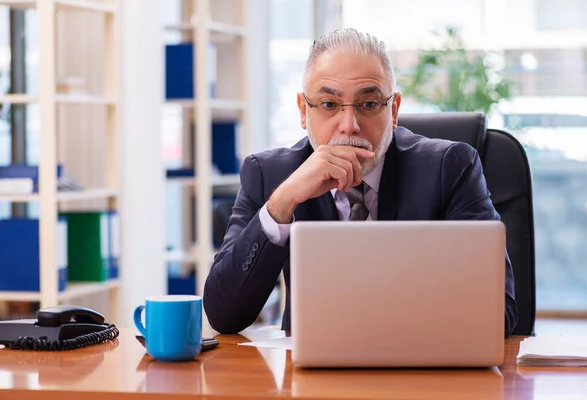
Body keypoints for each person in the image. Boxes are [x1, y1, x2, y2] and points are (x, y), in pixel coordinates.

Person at [203, 28, 518, 336]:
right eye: (329, 105)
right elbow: (223, 314)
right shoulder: (269, 175)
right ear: (303, 111)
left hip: (420, 376)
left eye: (368, 104)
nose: (349, 126)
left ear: (393, 111)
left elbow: (497, 313)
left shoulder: (450, 168)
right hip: (309, 381)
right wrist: (281, 204)